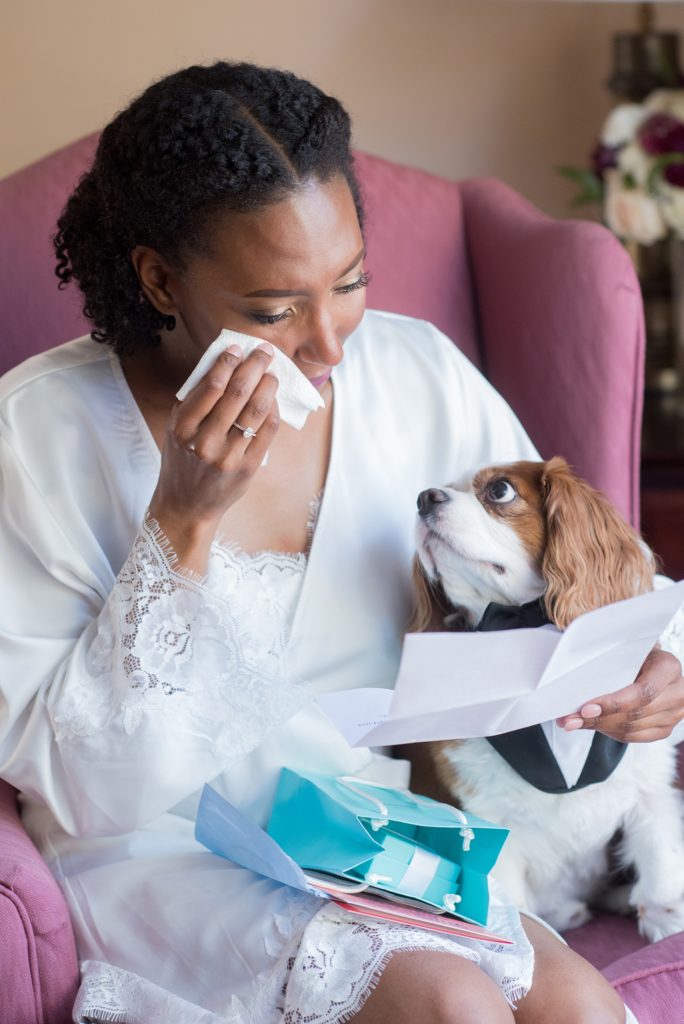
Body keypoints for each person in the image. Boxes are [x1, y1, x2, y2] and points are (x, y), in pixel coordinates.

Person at [0, 60, 680, 1024]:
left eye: (350, 282)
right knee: (452, 1007)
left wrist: (654, 665)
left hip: (378, 827)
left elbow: (582, 569)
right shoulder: (35, 437)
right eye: (273, 310)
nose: (329, 345)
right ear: (159, 278)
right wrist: (182, 523)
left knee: (574, 1007)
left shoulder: (414, 371)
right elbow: (79, 787)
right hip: (166, 848)